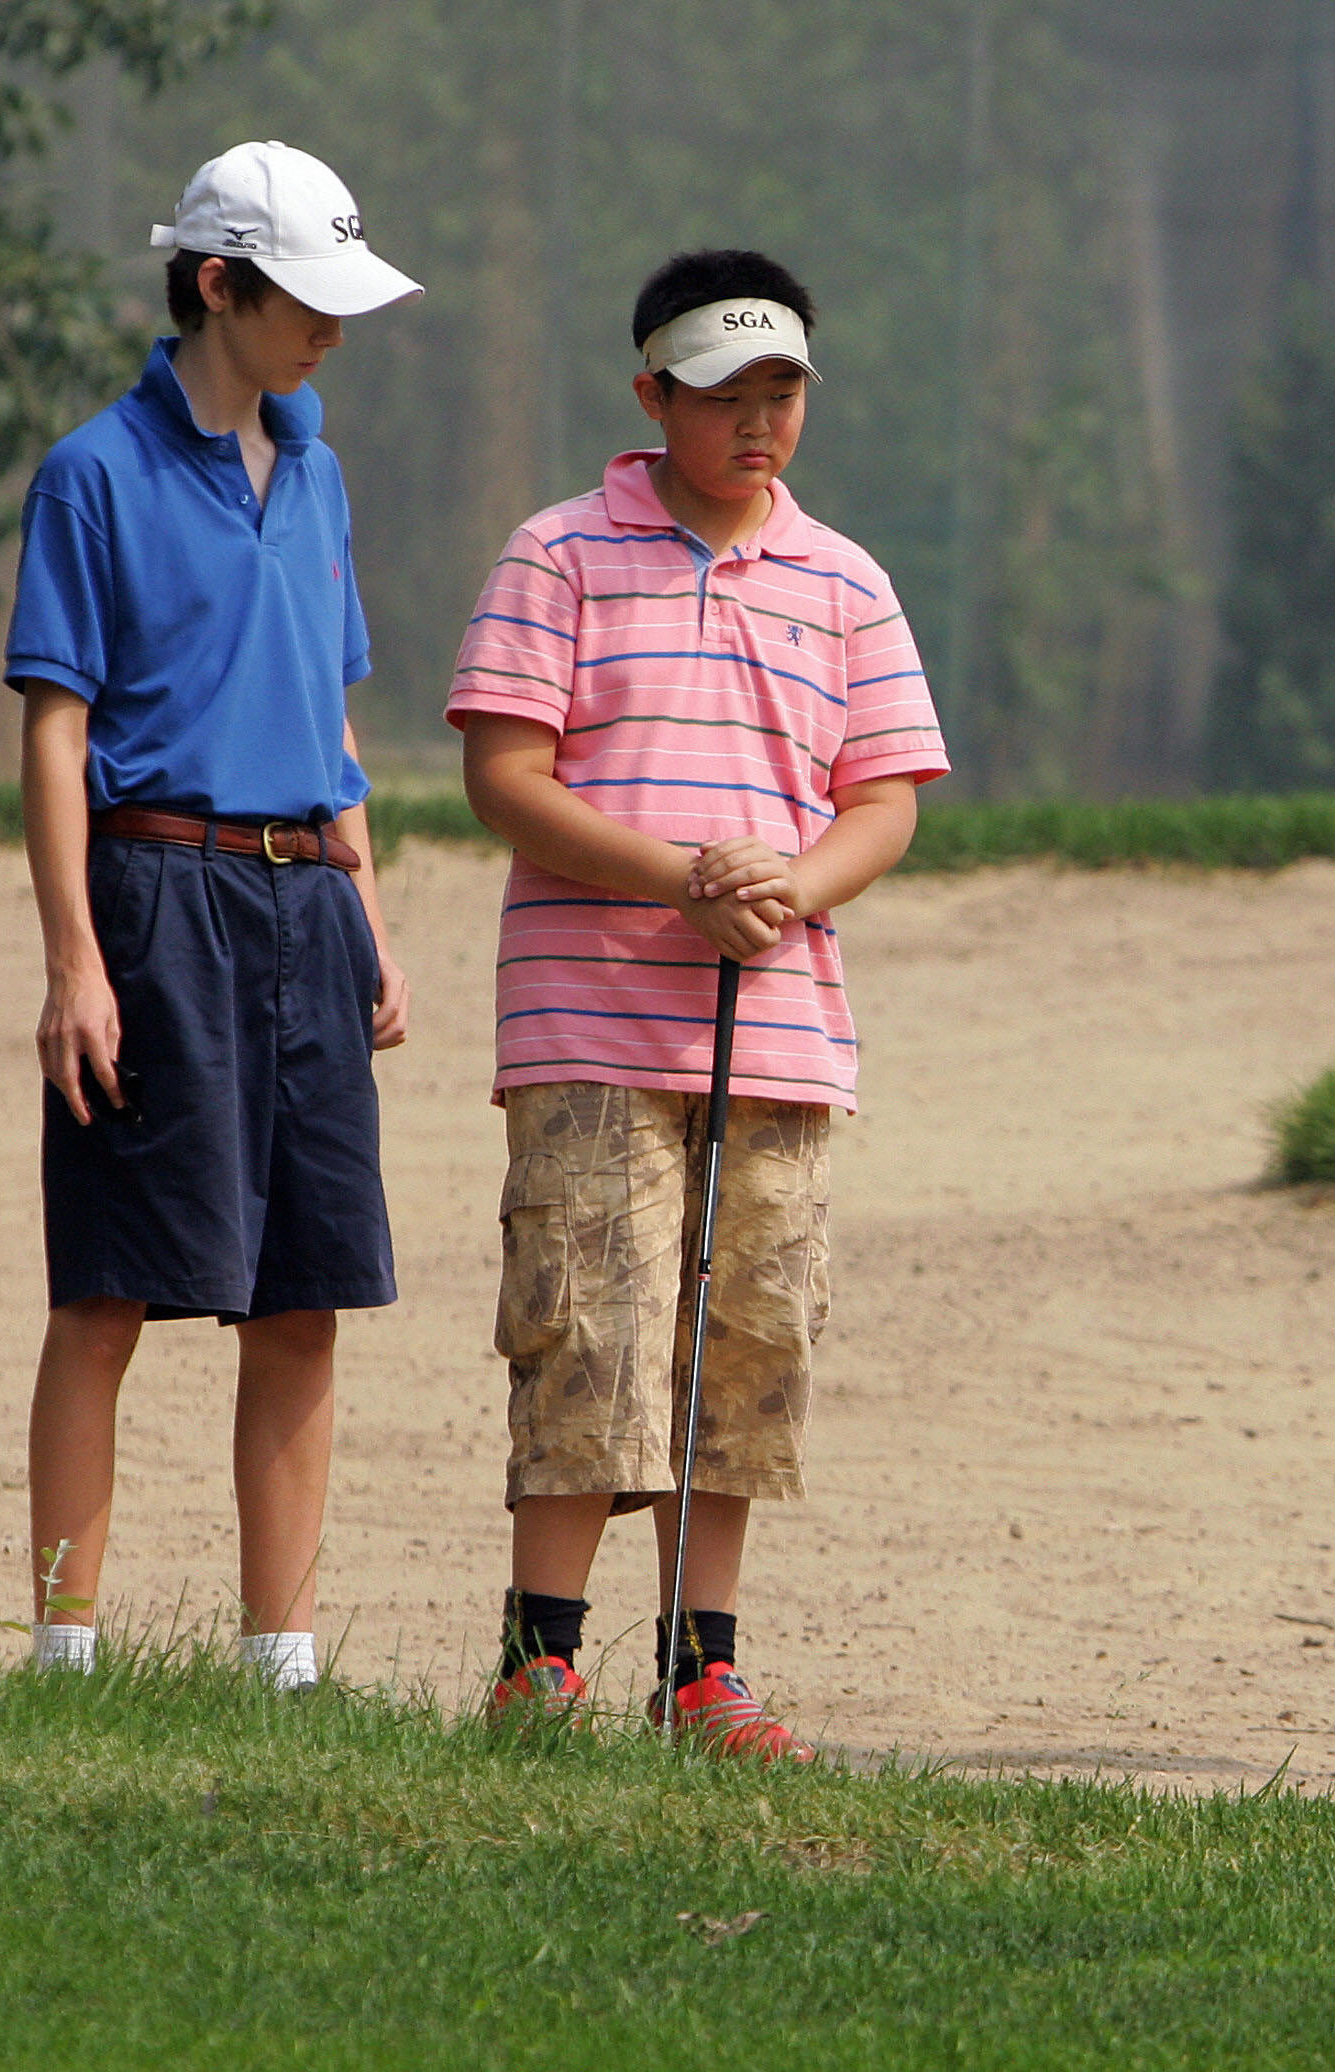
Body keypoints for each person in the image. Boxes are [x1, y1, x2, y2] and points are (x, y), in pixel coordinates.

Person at [449, 249, 949, 1759]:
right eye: (725, 393)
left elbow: (887, 796)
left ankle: (700, 1670)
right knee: (588, 1332)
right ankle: (540, 1663)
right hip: (592, 1025)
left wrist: (792, 888)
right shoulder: (558, 555)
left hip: (778, 1030)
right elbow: (505, 780)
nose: (758, 421)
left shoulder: (845, 578)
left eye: (783, 390)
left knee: (741, 1348)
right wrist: (679, 876)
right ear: (652, 393)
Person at [8, 142, 422, 1689]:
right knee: (109, 1286)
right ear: (214, 284)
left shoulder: (317, 471)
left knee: (306, 1293)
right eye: (304, 299)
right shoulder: (93, 472)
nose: (332, 330)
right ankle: (65, 1653)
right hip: (156, 891)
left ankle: (283, 1665)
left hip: (308, 897)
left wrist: (368, 912)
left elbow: (336, 722)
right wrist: (76, 962)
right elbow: (58, 726)